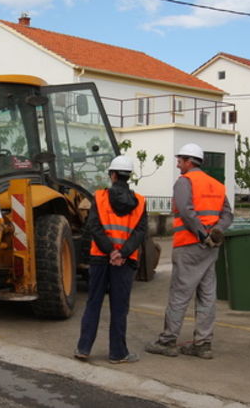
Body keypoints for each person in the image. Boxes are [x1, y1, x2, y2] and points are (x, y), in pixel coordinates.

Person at [145, 143, 233, 360]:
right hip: (210, 250)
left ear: (188, 161)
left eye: (180, 160)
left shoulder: (185, 182)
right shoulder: (217, 185)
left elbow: (185, 210)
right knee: (207, 295)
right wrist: (216, 232)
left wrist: (202, 234)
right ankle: (203, 344)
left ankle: (168, 341)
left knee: (180, 294)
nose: (177, 164)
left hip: (189, 246)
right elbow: (228, 214)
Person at [74, 156, 146, 364]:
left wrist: (109, 251)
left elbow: (94, 227)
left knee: (93, 302)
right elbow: (140, 232)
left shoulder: (99, 197)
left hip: (99, 258)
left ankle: (84, 348)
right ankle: (117, 353)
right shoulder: (140, 202)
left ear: (112, 175)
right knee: (119, 306)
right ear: (128, 176)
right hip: (125, 261)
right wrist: (121, 253)